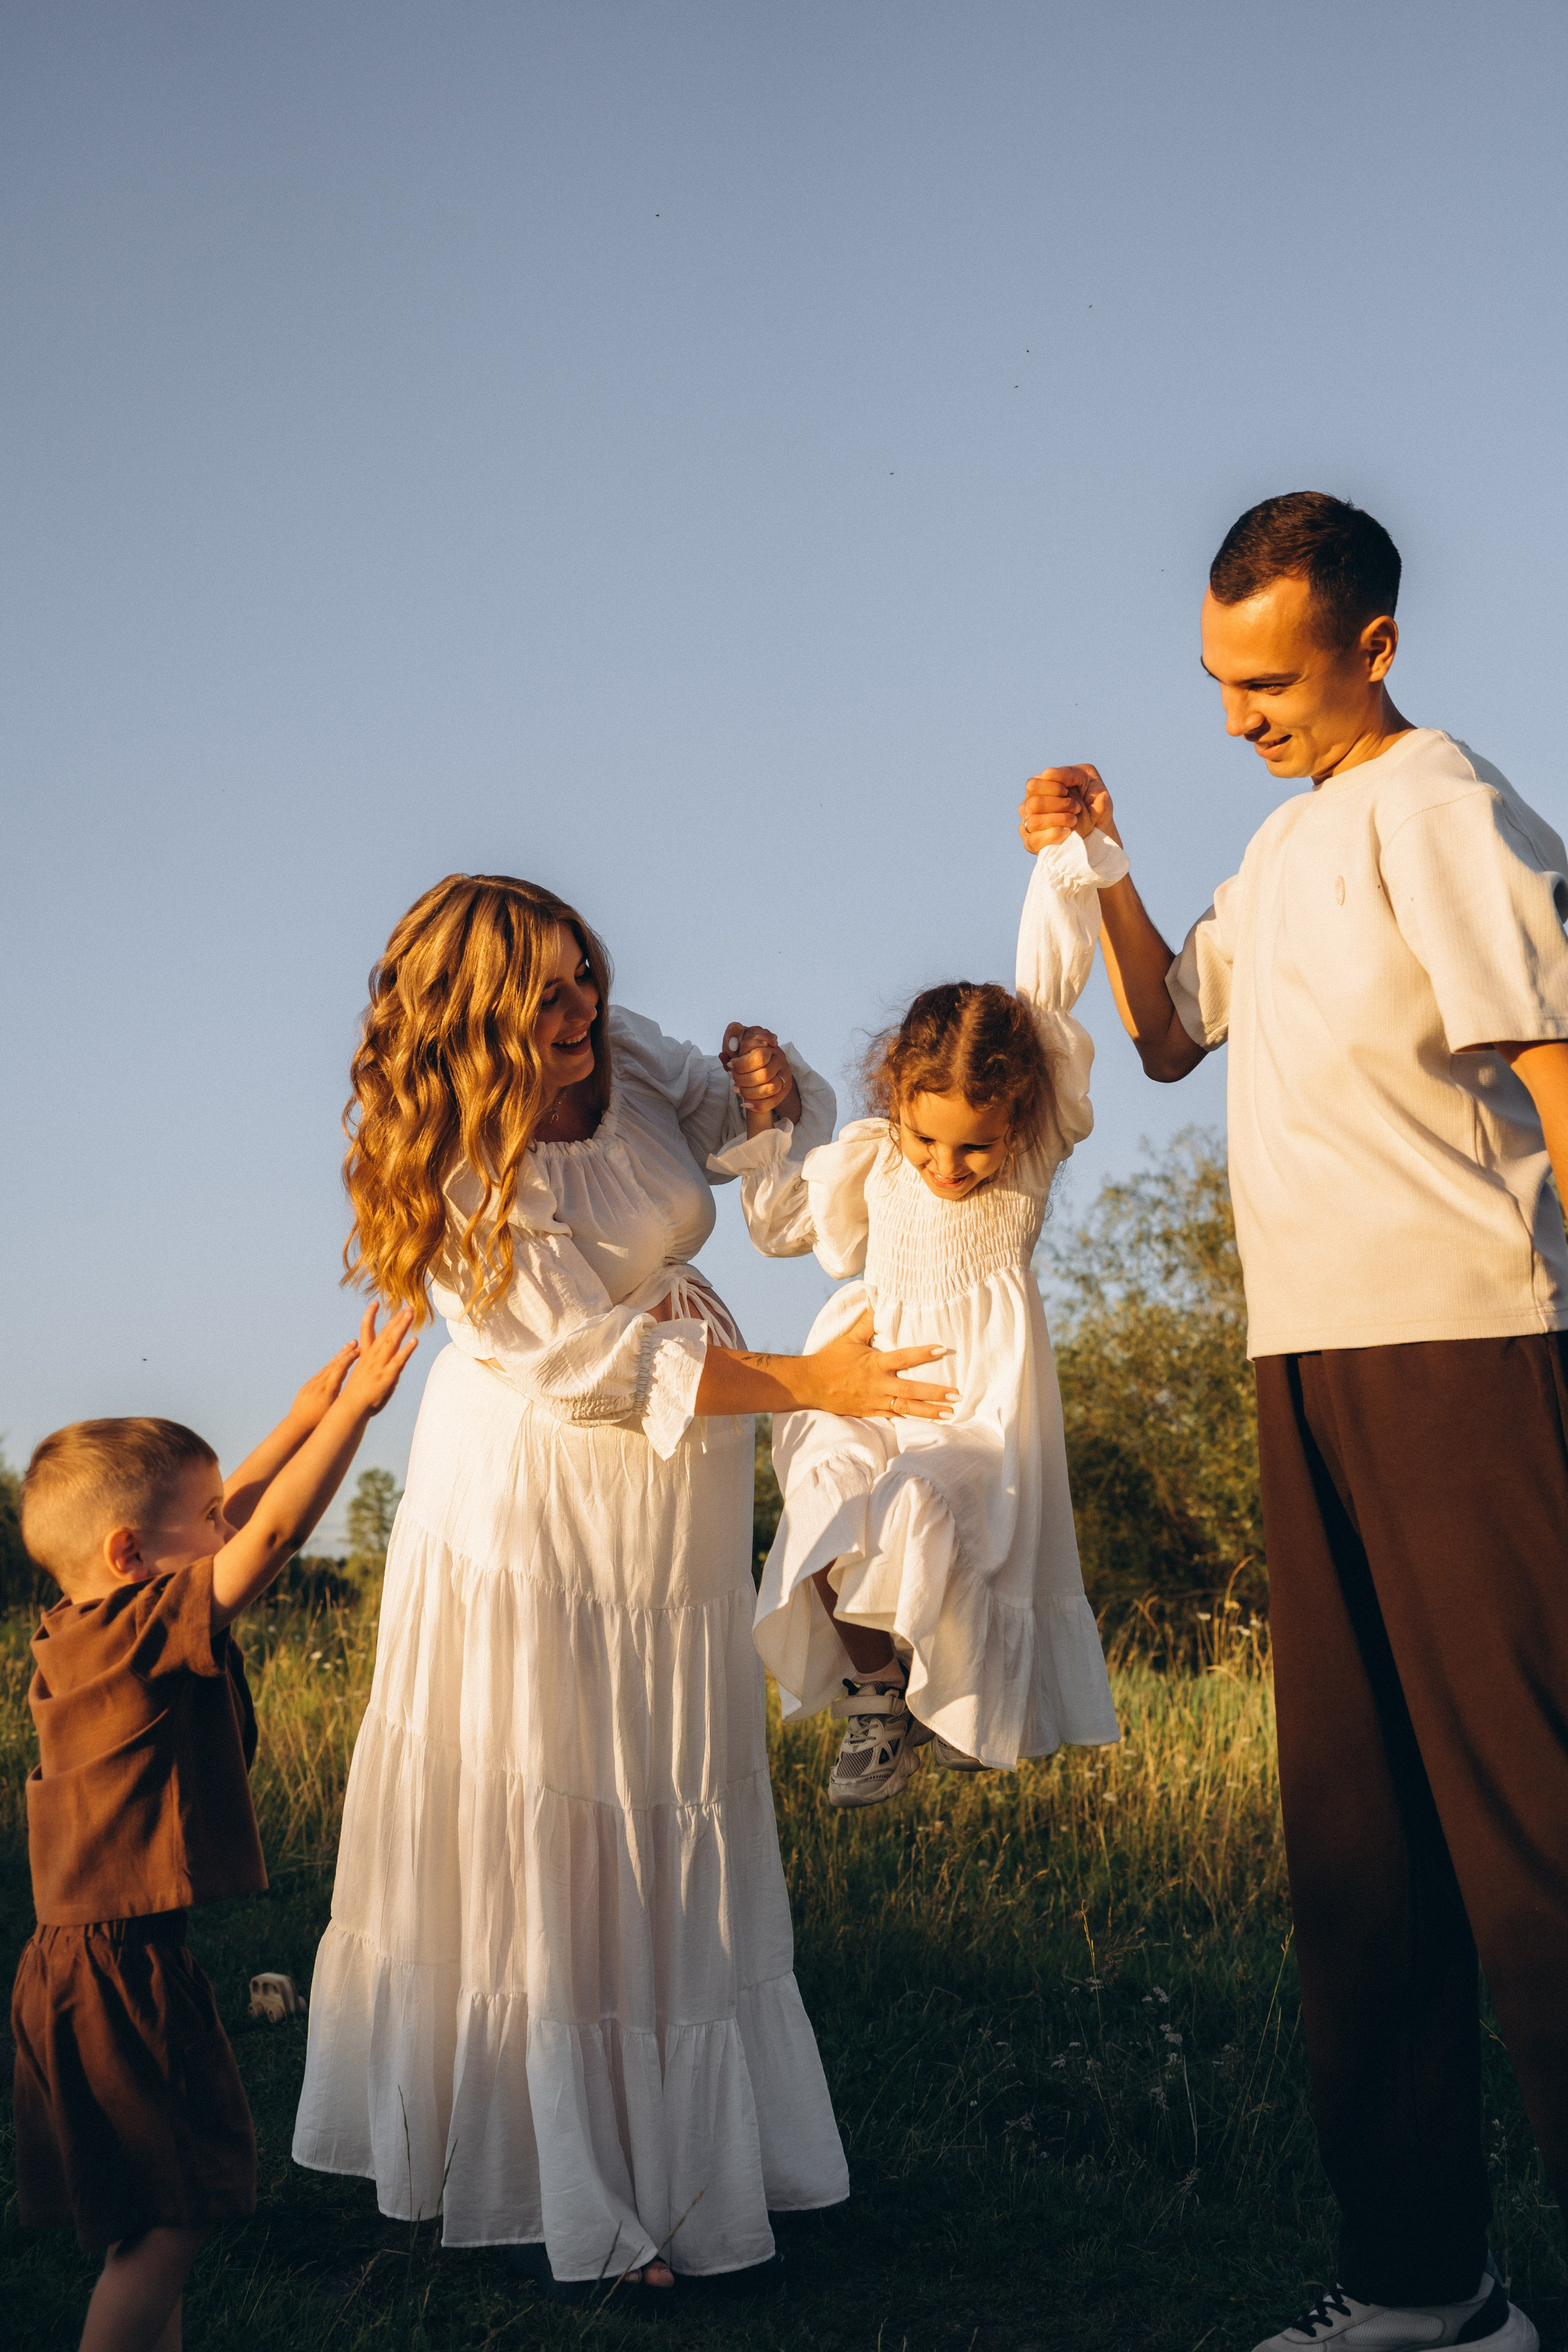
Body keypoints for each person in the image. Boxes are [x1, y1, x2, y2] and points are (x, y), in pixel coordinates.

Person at [1022, 491, 1568, 2352]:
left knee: (1536, 1843)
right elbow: (1172, 1035)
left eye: (1270, 677)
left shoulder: (1446, 807)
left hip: (1475, 1355)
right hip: (1308, 1364)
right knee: (1358, 1846)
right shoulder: (1284, 843)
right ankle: (1427, 2293)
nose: (1242, 711)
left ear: (1374, 647)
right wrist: (1101, 866)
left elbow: (1560, 1069)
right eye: (1217, 681)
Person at [290, 873, 959, 2295]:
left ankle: (686, 2160)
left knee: (663, 1792)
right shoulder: (462, 1175)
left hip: (673, 1493)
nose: (578, 1006)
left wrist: (764, 1090)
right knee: (554, 1794)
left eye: (581, 971)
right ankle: (563, 2190)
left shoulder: (625, 1054)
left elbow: (727, 1149)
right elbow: (581, 1372)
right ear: (471, 1022)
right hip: (535, 1497)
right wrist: (809, 1381)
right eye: (541, 994)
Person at [11, 1306, 417, 2352]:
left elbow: (229, 1512)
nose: (226, 1526)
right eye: (207, 1518)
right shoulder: (141, 1632)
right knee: (180, 2213)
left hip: (79, 1966)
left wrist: (297, 1416)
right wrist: (357, 1416)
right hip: (120, 1975)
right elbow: (271, 1535)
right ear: (132, 1554)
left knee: (150, 2217)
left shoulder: (82, 1626)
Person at [711, 817, 1123, 1804]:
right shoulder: (874, 1154)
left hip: (974, 1411)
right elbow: (782, 1229)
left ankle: (969, 1693)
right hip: (865, 1377)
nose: (946, 1166)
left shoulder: (1033, 1145)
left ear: (1021, 1121)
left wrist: (1066, 856)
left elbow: (1048, 983)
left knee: (921, 1509)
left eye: (972, 1149)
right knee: (820, 1497)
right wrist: (767, 1117)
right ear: (897, 1100)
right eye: (928, 1139)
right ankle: (877, 1695)